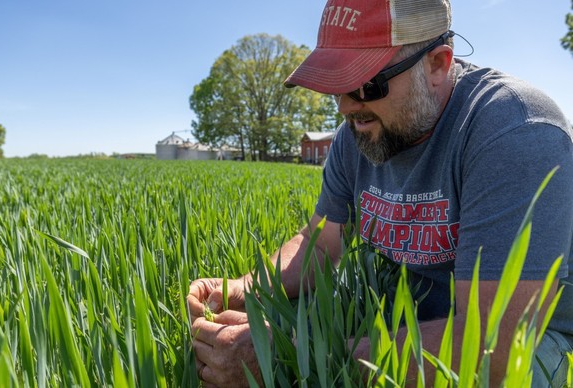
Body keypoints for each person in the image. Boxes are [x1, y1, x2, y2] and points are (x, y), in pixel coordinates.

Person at [187, 0, 573, 386]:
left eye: (366, 85)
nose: (345, 107)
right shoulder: (356, 134)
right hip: (413, 319)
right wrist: (241, 288)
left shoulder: (514, 132)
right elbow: (320, 244)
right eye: (336, 85)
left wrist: (289, 354)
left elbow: (494, 344)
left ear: (437, 63)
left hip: (537, 336)